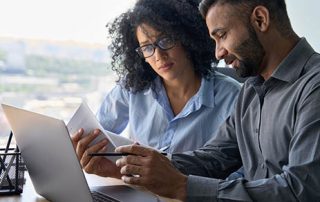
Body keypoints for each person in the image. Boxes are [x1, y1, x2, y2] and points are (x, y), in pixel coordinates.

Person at [110, 0, 320, 201]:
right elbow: (216, 157)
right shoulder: (251, 90)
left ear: (260, 19)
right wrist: (142, 166)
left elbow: (301, 190)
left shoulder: (314, 87)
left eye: (222, 35)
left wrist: (183, 187)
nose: (218, 53)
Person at [72, 0, 240, 177]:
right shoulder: (132, 88)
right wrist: (85, 150)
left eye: (165, 40)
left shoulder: (233, 98)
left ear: (187, 39)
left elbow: (242, 175)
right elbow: (98, 134)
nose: (159, 55)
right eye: (147, 47)